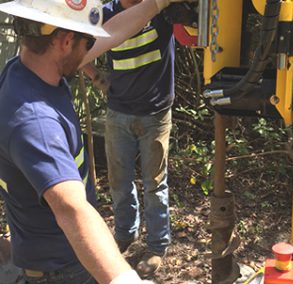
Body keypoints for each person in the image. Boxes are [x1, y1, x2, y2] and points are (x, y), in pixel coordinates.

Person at [0, 0, 189, 283]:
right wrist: (125, 279)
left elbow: (113, 31)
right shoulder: (35, 121)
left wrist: (156, 4)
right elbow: (72, 211)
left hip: (61, 257)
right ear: (65, 41)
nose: (92, 50)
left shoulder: (26, 70)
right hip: (63, 270)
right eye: (88, 42)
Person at [83, 0, 175, 278]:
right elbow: (78, 48)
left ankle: (157, 246)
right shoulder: (106, 15)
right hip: (119, 111)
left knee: (154, 183)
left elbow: (191, 28)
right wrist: (97, 76)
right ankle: (124, 234)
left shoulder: (160, 9)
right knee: (119, 181)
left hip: (156, 113)